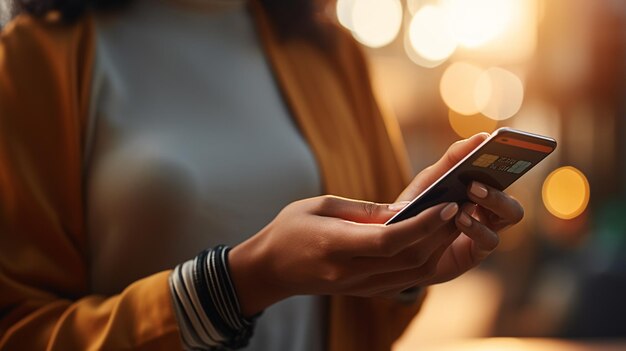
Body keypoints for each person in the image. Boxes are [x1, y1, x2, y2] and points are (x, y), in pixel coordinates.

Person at [0, 0, 524, 350]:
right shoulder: (35, 56)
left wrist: (409, 268)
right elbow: (17, 327)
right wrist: (240, 282)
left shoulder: (329, 50)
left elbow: (365, 326)